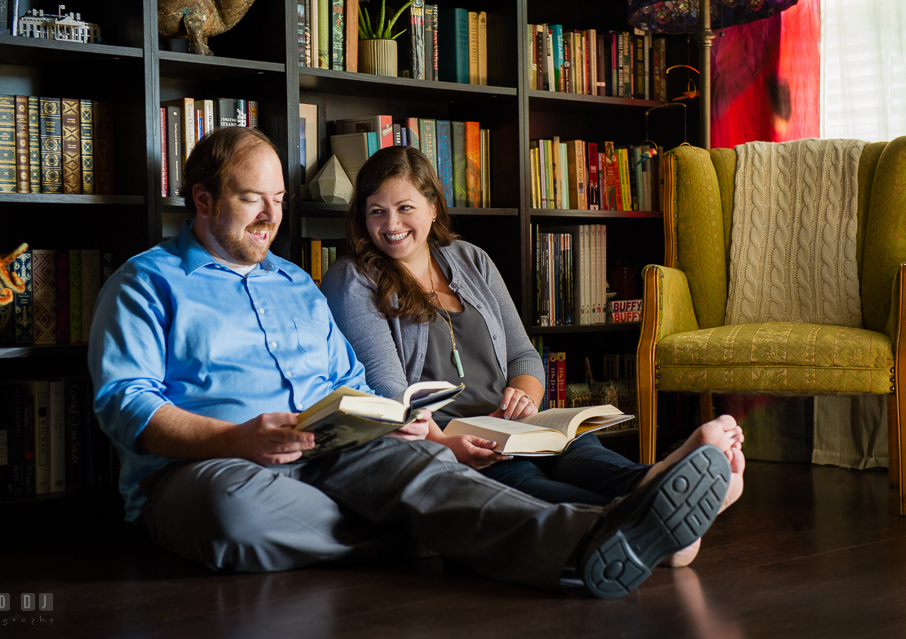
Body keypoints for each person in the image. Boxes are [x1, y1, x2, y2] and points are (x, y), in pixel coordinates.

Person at [88, 126, 732, 598]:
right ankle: (422, 526)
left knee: (421, 464)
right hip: (211, 465)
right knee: (235, 515)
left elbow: (348, 381)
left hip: (331, 453)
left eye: (279, 199)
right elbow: (126, 405)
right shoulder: (146, 283)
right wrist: (237, 437)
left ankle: (593, 538)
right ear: (202, 201)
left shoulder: (295, 283)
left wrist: (376, 420)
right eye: (253, 199)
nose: (271, 216)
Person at [321, 145, 745, 565]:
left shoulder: (471, 260)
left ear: (433, 208)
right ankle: (664, 511)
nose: (391, 224)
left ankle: (663, 493)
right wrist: (446, 444)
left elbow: (524, 354)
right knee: (527, 482)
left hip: (517, 425)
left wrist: (525, 395)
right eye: (376, 211)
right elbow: (388, 388)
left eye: (404, 207)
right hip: (456, 435)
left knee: (586, 456)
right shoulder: (354, 277)